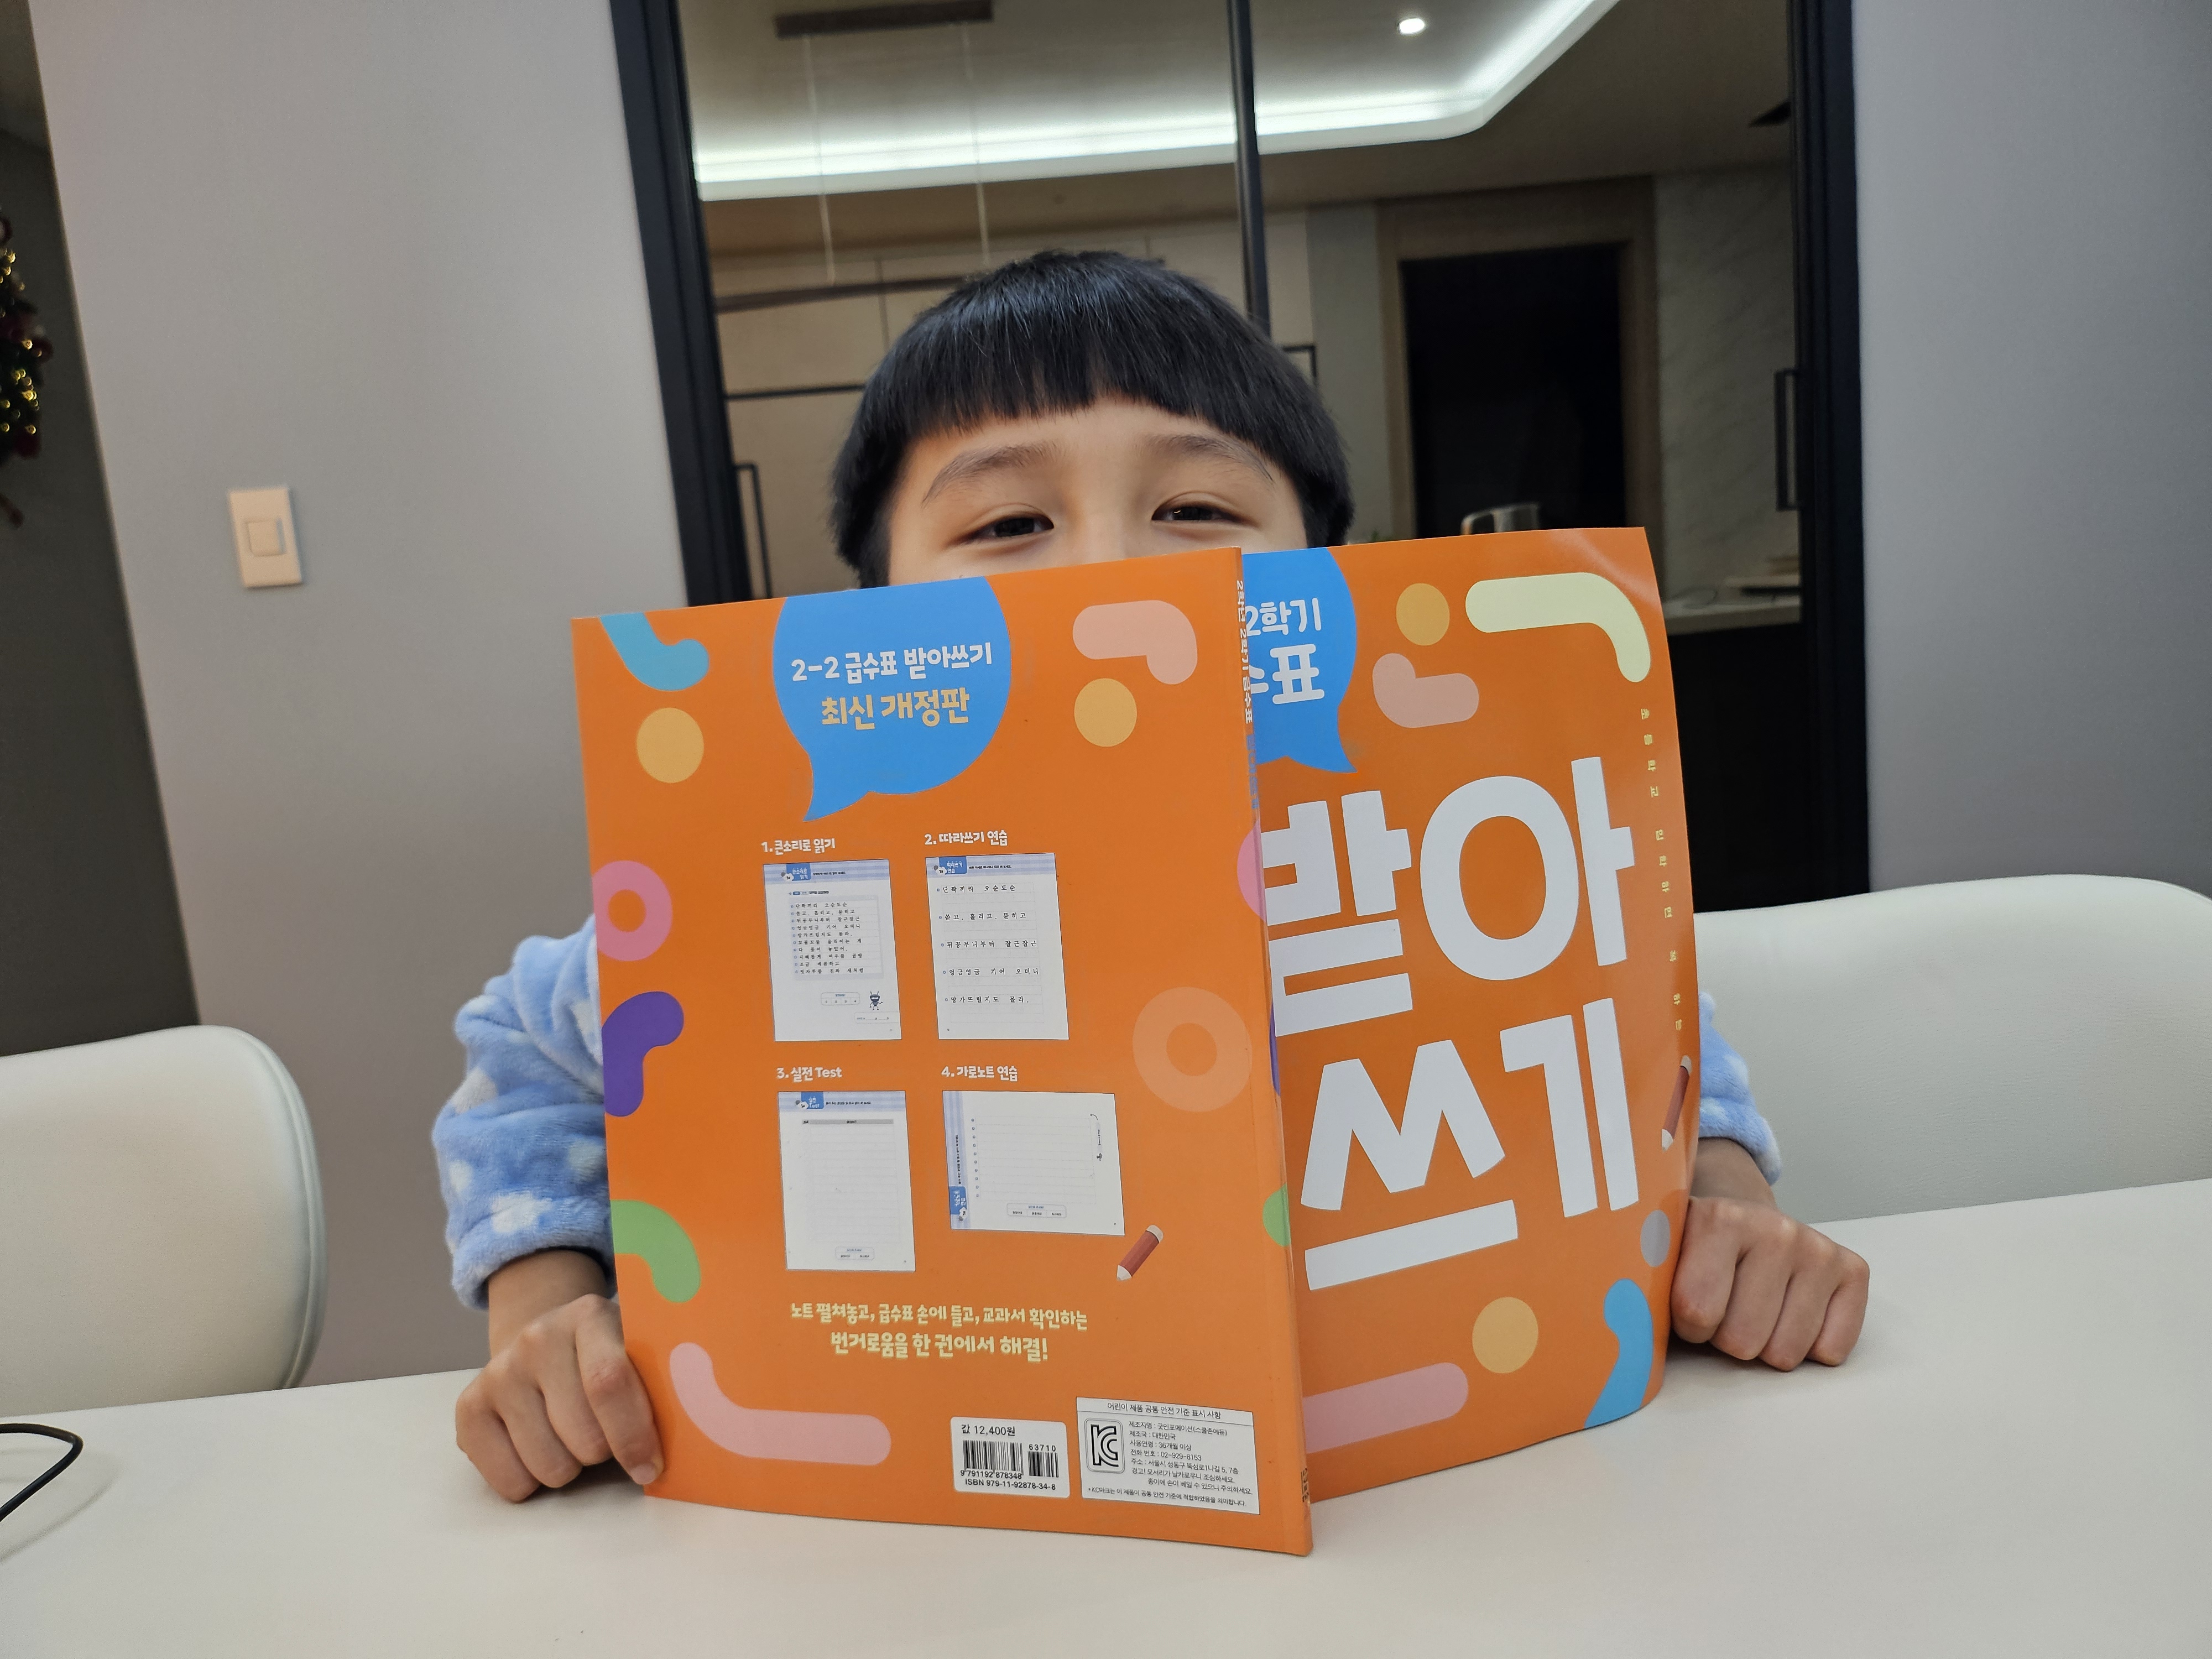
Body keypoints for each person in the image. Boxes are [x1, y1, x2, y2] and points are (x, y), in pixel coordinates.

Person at [434, 252, 1870, 1503]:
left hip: (1447, 1499)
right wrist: (545, 1303)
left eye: (1196, 506)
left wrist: (1727, 1203)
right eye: (1008, 525)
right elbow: (531, 1050)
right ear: (877, 611)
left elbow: (1637, 1015)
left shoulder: (1423, 847)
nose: (1113, 574)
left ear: (1326, 572)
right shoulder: (779, 889)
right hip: (940, 1525)